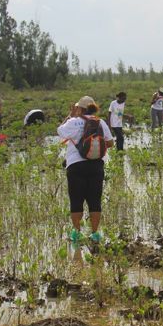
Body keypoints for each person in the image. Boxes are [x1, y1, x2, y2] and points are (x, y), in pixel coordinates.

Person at [57, 96, 114, 244]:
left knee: (76, 200)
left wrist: (70, 116)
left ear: (79, 108)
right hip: (96, 165)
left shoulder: (72, 122)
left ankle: (76, 233)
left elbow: (60, 132)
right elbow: (110, 142)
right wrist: (94, 148)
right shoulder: (100, 122)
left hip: (75, 166)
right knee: (95, 201)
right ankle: (95, 234)